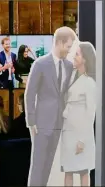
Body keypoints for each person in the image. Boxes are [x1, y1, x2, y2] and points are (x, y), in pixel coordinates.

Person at [25, 26, 77, 186]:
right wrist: (31, 121)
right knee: (38, 165)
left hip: (59, 123)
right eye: (68, 46)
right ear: (60, 43)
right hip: (41, 125)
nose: (69, 51)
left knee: (48, 165)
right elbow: (30, 93)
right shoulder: (40, 64)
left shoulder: (69, 66)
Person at [61, 42, 96, 186]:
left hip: (81, 134)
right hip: (68, 132)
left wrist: (82, 140)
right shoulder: (72, 78)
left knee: (83, 171)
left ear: (85, 59)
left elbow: (90, 113)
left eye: (77, 54)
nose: (74, 57)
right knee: (68, 170)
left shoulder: (90, 83)